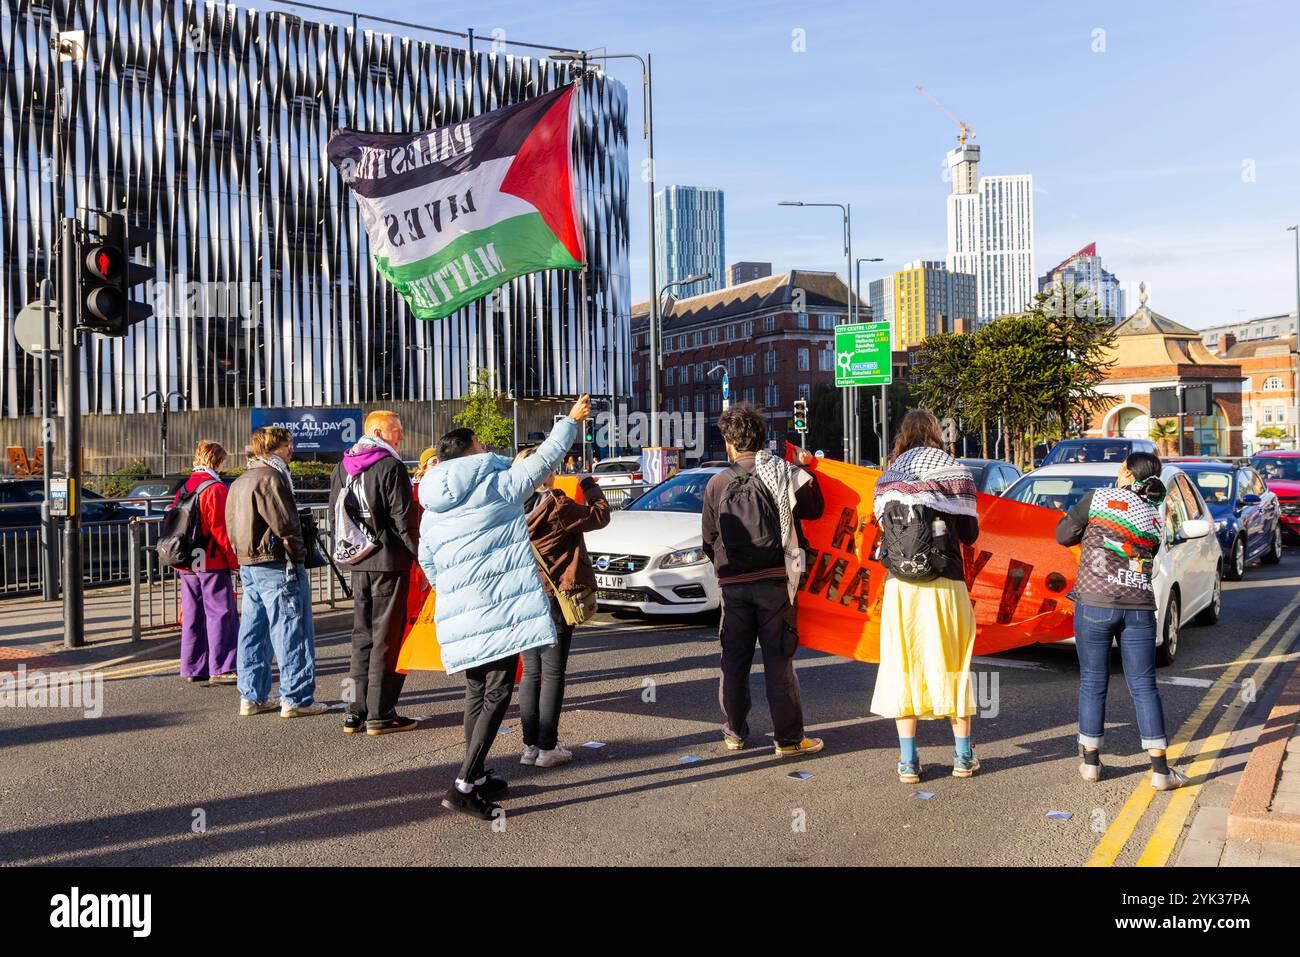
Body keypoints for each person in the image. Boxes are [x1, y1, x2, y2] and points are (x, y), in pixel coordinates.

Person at [418, 394, 590, 821]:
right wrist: (570, 420)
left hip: (462, 610)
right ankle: (463, 784)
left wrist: (454, 590)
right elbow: (545, 459)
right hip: (497, 608)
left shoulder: (432, 505)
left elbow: (426, 560)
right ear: (472, 451)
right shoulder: (496, 485)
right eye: (480, 445)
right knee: (497, 692)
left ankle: (474, 775)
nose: (486, 450)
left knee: (477, 690)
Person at [1055, 451, 1189, 791]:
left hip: (1096, 602)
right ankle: (1160, 770)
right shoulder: (1155, 514)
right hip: (1139, 607)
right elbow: (1149, 554)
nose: (1117, 472)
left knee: (1093, 682)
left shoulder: (1096, 498)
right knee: (1144, 686)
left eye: (1121, 467)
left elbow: (1063, 535)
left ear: (1128, 472)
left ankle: (1091, 764)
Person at [701, 402, 825, 758]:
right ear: (761, 439)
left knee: (734, 660)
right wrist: (805, 467)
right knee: (779, 661)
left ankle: (735, 732)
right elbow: (815, 509)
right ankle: (788, 739)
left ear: (730, 443)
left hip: (734, 585)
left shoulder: (716, 483)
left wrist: (727, 570)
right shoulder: (782, 473)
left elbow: (709, 539)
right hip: (776, 583)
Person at [869, 409, 981, 782]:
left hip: (902, 589)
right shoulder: (955, 471)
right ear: (936, 433)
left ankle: (908, 762)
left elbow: (881, 530)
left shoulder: (889, 478)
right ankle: (963, 757)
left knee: (903, 664)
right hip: (947, 583)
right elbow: (969, 535)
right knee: (954, 664)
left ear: (902, 435)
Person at [514, 446, 610, 768]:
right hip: (555, 597)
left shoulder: (510, 508)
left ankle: (529, 746)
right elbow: (601, 515)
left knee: (530, 672)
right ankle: (547, 747)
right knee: (553, 672)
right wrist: (588, 485)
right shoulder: (557, 505)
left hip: (524, 597)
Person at [225, 426, 330, 719]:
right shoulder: (272, 477)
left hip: (249, 563)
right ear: (275, 448)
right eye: (288, 445)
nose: (291, 450)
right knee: (291, 630)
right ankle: (296, 698)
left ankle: (251, 696)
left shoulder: (242, 479)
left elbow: (231, 523)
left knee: (253, 631)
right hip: (277, 563)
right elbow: (286, 524)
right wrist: (298, 555)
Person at [330, 411, 420, 736]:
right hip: (388, 561)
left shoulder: (343, 466)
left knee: (360, 638)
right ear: (380, 431)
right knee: (386, 639)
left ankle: (352, 710)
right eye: (397, 431)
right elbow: (403, 521)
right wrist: (422, 558)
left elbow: (334, 515)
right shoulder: (391, 466)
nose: (401, 437)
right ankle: (381, 714)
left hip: (358, 561)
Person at [175, 440, 239, 686]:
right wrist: (234, 561)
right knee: (220, 613)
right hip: (211, 559)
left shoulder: (186, 486)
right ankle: (222, 667)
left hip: (187, 559)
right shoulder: (215, 488)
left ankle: (193, 665)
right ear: (217, 461)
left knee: (192, 613)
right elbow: (221, 530)